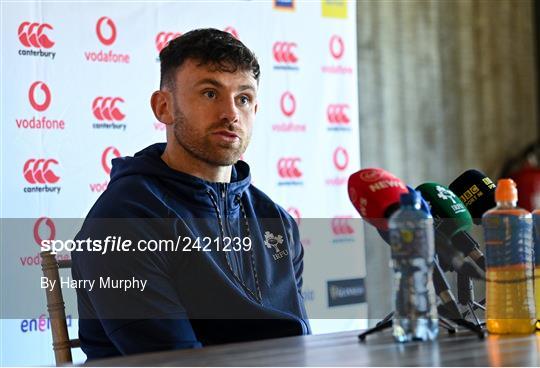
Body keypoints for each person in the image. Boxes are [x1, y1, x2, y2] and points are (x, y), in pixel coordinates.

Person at [71, 28, 310, 360]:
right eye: (210, 93)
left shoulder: (276, 221)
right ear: (164, 107)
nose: (231, 113)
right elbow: (175, 361)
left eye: (243, 98)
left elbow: (299, 345)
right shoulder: (124, 221)